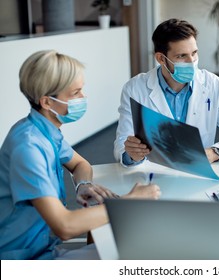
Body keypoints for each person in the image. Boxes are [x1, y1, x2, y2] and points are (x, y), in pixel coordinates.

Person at [0, 50, 161, 260]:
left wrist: (83, 184)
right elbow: (64, 226)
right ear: (47, 102)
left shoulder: (43, 131)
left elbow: (80, 164)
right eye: (75, 93)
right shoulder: (28, 147)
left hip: (45, 245)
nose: (83, 97)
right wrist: (129, 202)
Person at [114, 18, 219, 166]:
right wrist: (132, 154)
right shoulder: (135, 88)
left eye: (194, 53)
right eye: (181, 56)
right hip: (154, 175)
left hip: (198, 172)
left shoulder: (214, 84)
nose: (191, 61)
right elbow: (122, 144)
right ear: (161, 58)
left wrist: (214, 153)